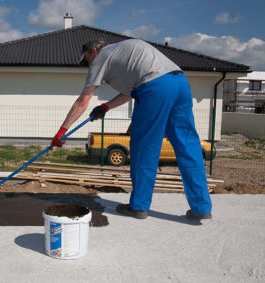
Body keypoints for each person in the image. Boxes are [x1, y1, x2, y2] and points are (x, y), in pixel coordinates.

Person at [50, 38, 212, 221]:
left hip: (155, 89)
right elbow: (131, 91)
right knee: (188, 146)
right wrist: (106, 107)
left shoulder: (100, 58)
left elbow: (83, 100)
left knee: (145, 148)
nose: (88, 65)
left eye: (86, 59)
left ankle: (139, 206)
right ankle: (202, 208)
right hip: (180, 83)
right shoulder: (124, 51)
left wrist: (62, 130)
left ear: (93, 52)